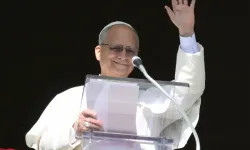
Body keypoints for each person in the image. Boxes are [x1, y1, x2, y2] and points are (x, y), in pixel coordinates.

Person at [25, 0, 205, 149]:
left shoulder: (151, 99)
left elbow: (188, 93)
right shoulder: (68, 98)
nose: (123, 56)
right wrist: (75, 131)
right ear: (98, 51)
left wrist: (187, 33)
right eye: (116, 48)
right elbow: (40, 144)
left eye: (130, 50)